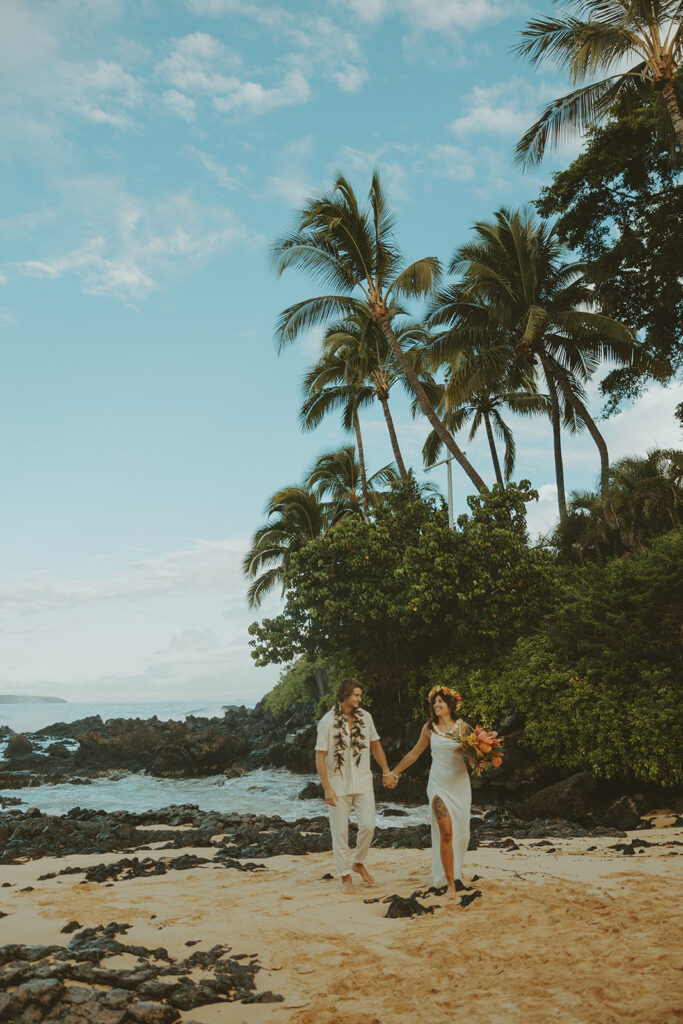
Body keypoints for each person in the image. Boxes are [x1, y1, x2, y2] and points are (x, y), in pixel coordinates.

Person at [315, 678, 396, 894]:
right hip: (337, 785)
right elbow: (320, 757)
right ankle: (345, 876)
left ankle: (358, 862)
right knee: (340, 832)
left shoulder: (366, 718)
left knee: (368, 825)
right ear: (345, 696)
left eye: (360, 695)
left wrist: (386, 772)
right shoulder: (327, 722)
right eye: (356, 695)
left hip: (363, 781)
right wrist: (326, 788)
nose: (360, 699)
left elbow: (376, 746)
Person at [390, 686, 471, 898]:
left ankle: (456, 872)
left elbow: (473, 758)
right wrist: (394, 772)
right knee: (445, 832)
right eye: (434, 702)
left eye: (440, 701)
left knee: (461, 835)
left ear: (450, 704)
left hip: (460, 785)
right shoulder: (429, 728)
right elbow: (414, 754)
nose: (436, 705)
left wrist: (481, 759)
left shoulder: (463, 728)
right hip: (438, 786)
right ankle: (450, 884)